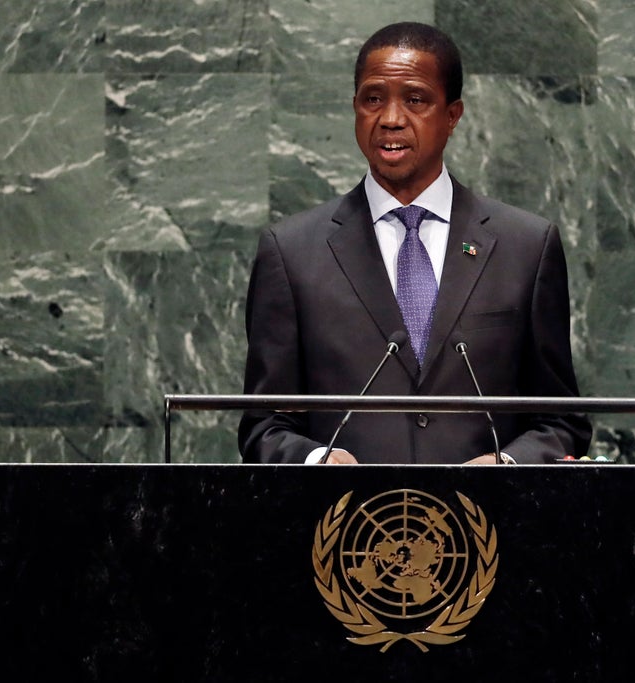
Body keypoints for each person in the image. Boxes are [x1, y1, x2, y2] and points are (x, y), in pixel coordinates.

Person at [238, 21, 591, 464]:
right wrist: (317, 461)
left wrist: (507, 467)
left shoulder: (526, 247)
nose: (390, 119)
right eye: (373, 99)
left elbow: (561, 421)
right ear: (355, 108)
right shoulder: (290, 252)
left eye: (415, 99)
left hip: (486, 508)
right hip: (347, 509)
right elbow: (264, 426)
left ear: (452, 115)